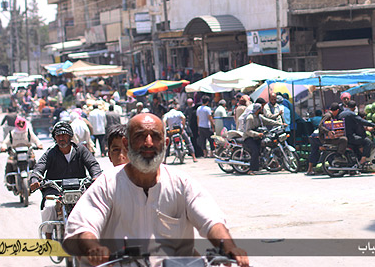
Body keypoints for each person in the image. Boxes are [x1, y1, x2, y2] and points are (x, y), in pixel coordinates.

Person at [62, 113, 249, 267]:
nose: (149, 143)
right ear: (127, 144)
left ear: (165, 143)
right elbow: (83, 226)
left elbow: (211, 220)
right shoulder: (108, 184)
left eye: (155, 137)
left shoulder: (181, 183)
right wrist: (93, 247)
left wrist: (229, 247)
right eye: (140, 136)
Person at [30, 121, 102, 239]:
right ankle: (48, 235)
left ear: (70, 136)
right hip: (55, 190)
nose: (61, 138)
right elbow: (39, 168)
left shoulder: (81, 150)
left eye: (64, 135)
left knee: (93, 206)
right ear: (54, 138)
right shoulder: (50, 153)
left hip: (79, 188)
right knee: (49, 206)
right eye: (58, 136)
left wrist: (96, 176)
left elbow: (93, 164)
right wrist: (34, 179)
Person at [0, 116, 43, 189]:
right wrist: (3, 147)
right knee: (9, 165)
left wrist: (39, 145)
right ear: (16, 124)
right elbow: (5, 142)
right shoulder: (12, 133)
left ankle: (38, 182)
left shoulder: (28, 132)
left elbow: (36, 140)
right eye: (19, 123)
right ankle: (10, 183)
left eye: (23, 123)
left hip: (28, 153)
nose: (21, 125)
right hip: (14, 154)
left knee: (36, 167)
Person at [305, 103, 347, 176]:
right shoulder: (328, 115)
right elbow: (320, 126)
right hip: (318, 137)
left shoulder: (329, 115)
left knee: (315, 152)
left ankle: (310, 169)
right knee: (343, 140)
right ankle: (338, 157)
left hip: (315, 136)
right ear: (337, 110)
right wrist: (328, 132)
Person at [242, 103, 282, 175]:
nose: (262, 109)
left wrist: (279, 124)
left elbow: (268, 121)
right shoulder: (250, 118)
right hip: (249, 138)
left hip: (257, 137)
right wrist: (257, 134)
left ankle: (261, 164)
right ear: (258, 110)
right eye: (261, 108)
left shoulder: (259, 117)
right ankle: (251, 170)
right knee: (255, 151)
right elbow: (247, 131)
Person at [340, 100, 375, 169]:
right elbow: (361, 121)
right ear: (355, 107)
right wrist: (373, 125)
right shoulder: (351, 114)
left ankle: (357, 162)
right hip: (350, 137)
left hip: (344, 136)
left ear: (346, 106)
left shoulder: (341, 114)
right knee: (368, 142)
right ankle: (363, 160)